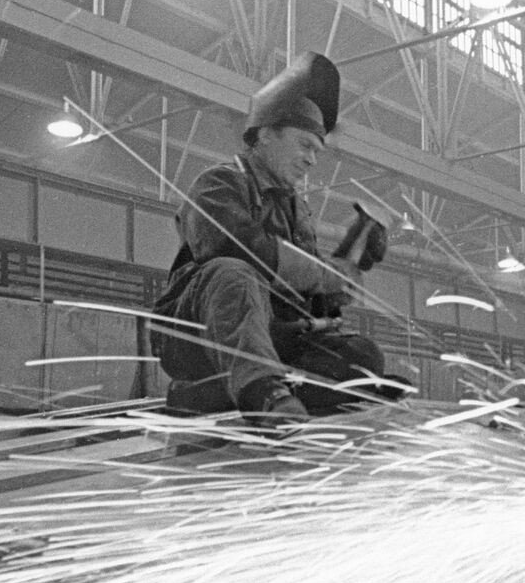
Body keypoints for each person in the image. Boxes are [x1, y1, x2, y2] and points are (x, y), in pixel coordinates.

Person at [150, 51, 389, 422]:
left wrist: (350, 263)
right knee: (233, 272)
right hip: (200, 335)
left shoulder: (296, 211)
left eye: (317, 151)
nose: (312, 160)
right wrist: (325, 272)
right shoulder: (219, 183)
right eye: (304, 145)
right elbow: (238, 247)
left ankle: (226, 392)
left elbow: (312, 294)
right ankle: (260, 392)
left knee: (363, 355)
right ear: (264, 135)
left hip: (270, 337)